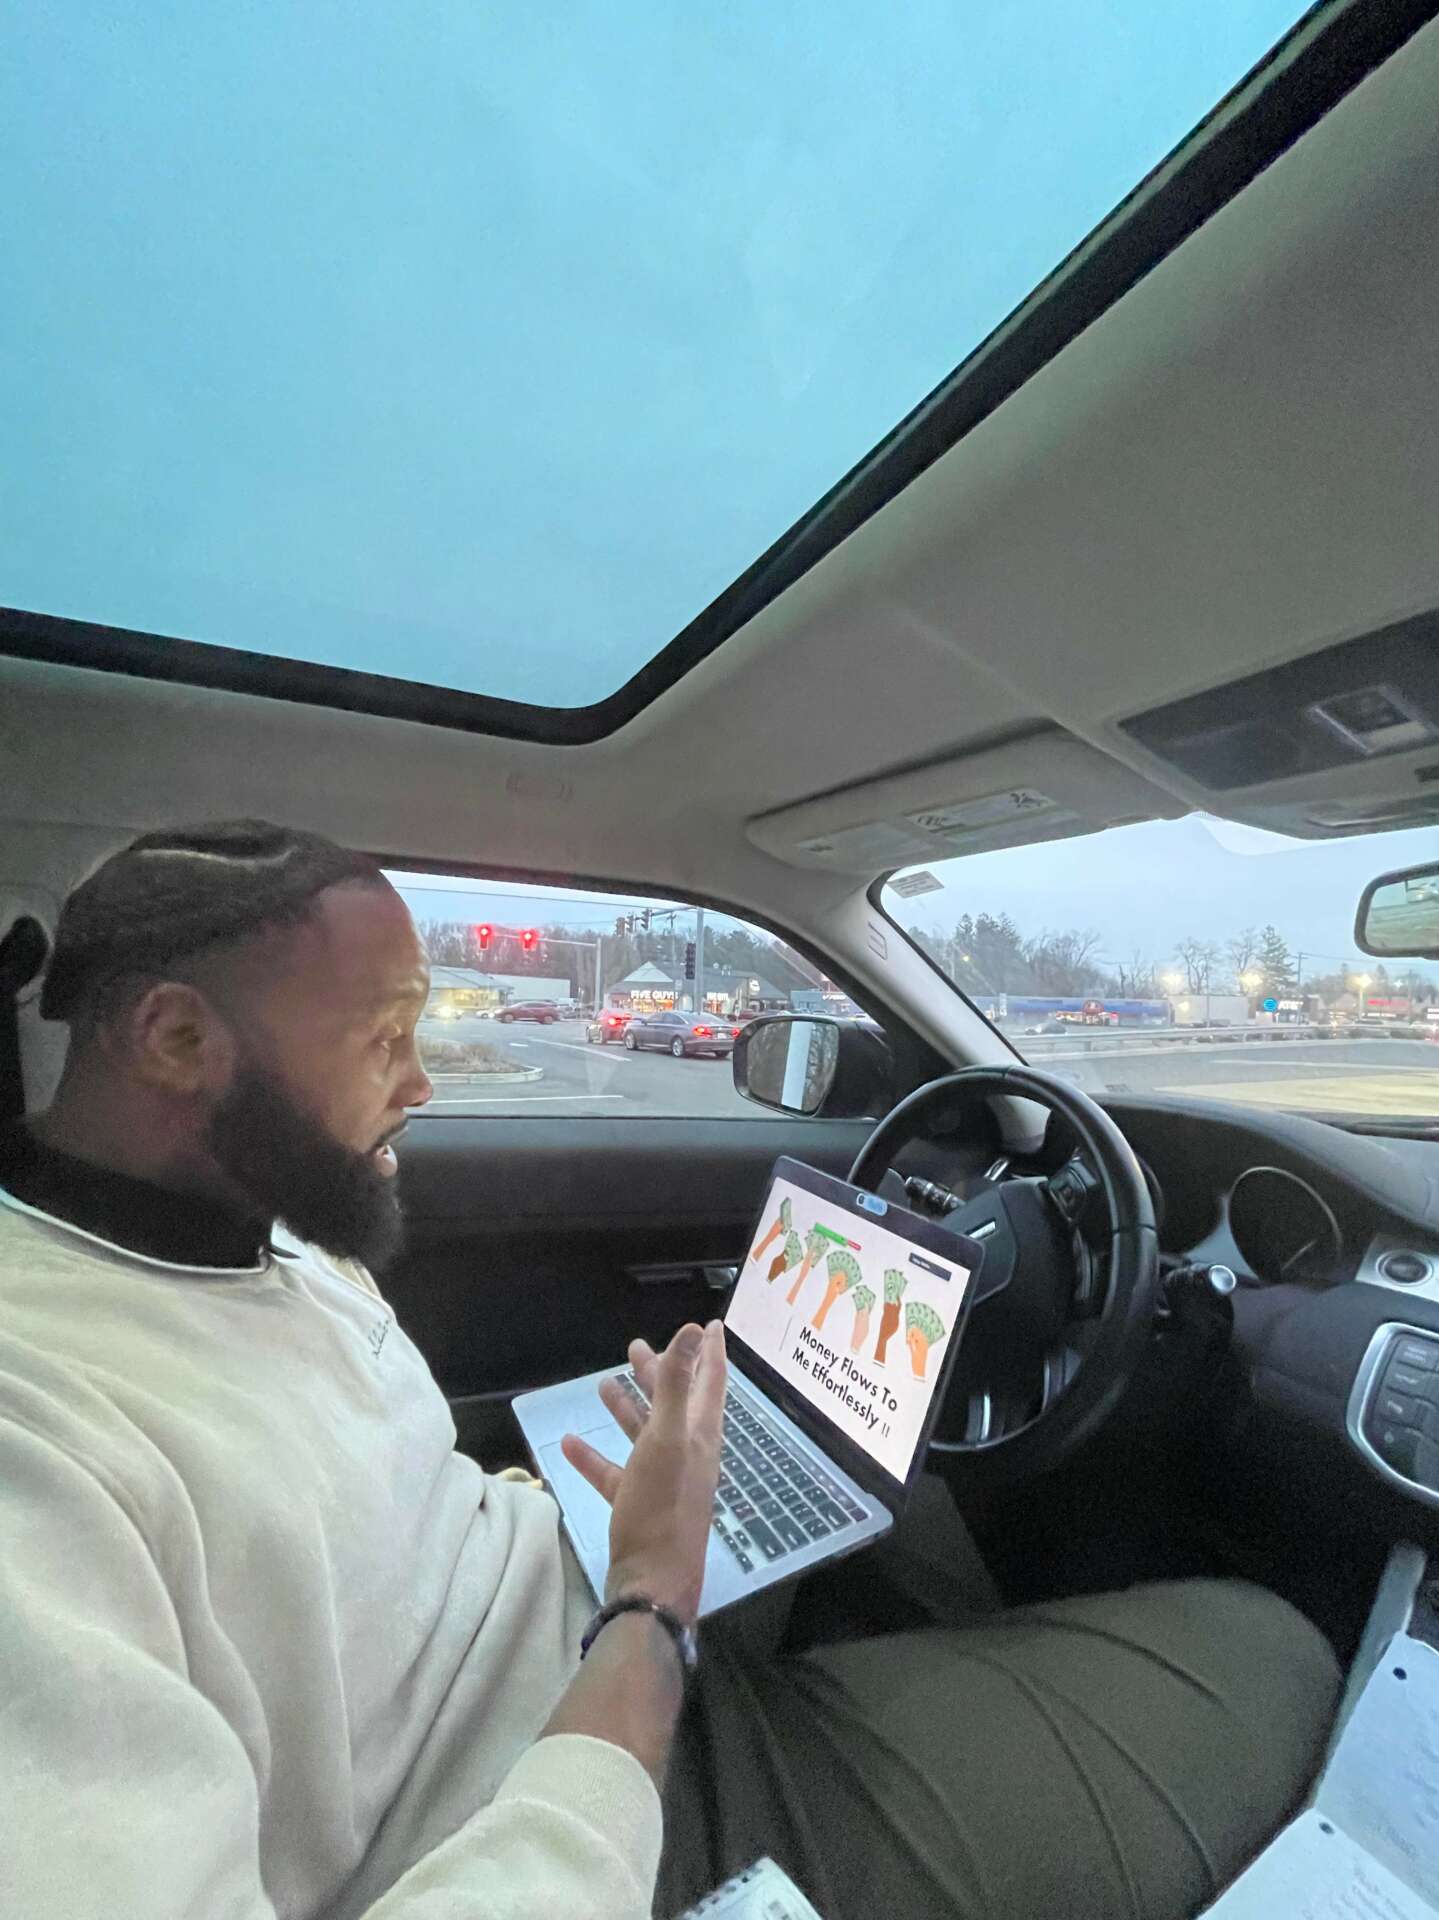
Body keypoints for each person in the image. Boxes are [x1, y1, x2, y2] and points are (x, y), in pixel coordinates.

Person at [0, 821, 1339, 1920]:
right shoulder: (34, 1446)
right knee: (1269, 1651)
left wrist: (621, 1500)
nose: (422, 1085)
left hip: (575, 1595)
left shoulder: (270, 1236)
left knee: (889, 1481)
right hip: (566, 1818)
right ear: (177, 1041)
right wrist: (646, 1609)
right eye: (383, 1037)